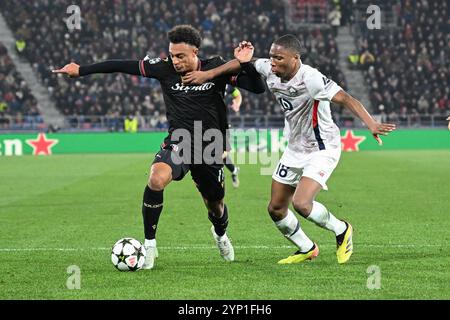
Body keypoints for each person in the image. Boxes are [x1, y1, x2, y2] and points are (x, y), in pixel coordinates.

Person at [53, 25, 265, 269]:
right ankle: (150, 245)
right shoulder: (163, 68)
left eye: (180, 56)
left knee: (215, 206)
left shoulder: (215, 67)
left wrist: (246, 64)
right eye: (172, 55)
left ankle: (220, 235)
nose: (175, 61)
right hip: (180, 141)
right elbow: (123, 65)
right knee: (156, 178)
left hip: (210, 147)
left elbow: (258, 88)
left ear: (195, 51)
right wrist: (81, 70)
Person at [182, 35, 396, 264]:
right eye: (272, 56)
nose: (272, 62)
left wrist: (371, 124)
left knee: (302, 203)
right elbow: (246, 63)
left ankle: (342, 229)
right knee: (275, 208)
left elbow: (346, 98)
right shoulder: (270, 68)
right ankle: (306, 247)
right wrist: (209, 74)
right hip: (295, 148)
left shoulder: (311, 78)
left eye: (279, 58)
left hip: (322, 147)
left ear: (295, 58)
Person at [224, 85, 242, 188]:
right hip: (207, 123)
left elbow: (237, 94)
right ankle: (234, 170)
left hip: (223, 124)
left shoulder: (227, 86)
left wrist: (237, 104)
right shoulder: (206, 81)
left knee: (221, 154)